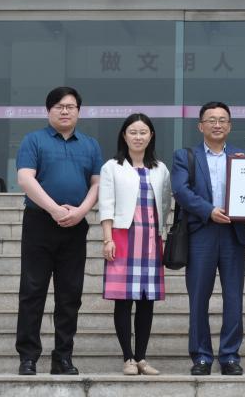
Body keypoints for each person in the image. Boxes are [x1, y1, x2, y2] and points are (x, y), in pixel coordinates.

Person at [15, 86, 102, 376]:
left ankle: (63, 357)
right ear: (48, 110)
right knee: (32, 291)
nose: (65, 111)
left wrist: (80, 212)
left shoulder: (90, 145)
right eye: (59, 106)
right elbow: (25, 179)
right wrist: (54, 209)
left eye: (70, 107)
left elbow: (97, 183)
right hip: (39, 222)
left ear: (79, 111)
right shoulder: (34, 140)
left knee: (70, 294)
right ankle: (28, 357)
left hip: (75, 226)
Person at [171, 101, 245, 376]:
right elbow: (181, 191)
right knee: (198, 297)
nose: (217, 125)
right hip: (201, 232)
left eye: (222, 120)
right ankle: (201, 356)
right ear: (200, 126)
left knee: (233, 298)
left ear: (230, 125)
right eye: (211, 120)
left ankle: (230, 356)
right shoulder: (185, 156)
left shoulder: (242, 157)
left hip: (233, 234)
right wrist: (209, 211)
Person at [99, 113, 172, 376]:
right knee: (123, 299)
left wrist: (163, 232)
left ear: (151, 136)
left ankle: (141, 357)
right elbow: (106, 204)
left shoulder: (160, 168)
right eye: (133, 132)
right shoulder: (112, 167)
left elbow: (165, 203)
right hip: (123, 238)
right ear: (124, 135)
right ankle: (127, 357)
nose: (138, 137)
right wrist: (107, 238)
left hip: (151, 239)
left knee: (146, 300)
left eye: (143, 132)